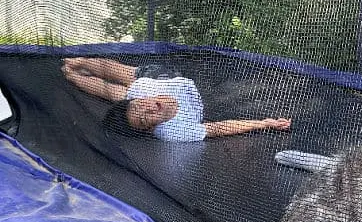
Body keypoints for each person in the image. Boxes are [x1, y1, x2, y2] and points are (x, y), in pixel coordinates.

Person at [62, 57, 291, 141]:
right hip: (177, 90)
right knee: (109, 93)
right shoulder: (173, 131)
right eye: (145, 120)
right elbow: (220, 128)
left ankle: (77, 61)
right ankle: (71, 75)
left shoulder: (143, 92)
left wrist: (79, 63)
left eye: (142, 107)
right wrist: (263, 123)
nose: (149, 110)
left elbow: (108, 69)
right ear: (151, 129)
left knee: (121, 75)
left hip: (163, 77)